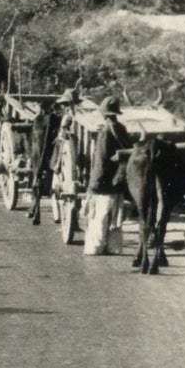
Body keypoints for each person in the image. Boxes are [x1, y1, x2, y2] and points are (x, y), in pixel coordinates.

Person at [82, 97, 126, 256]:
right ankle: (114, 248)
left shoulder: (105, 132)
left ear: (104, 114)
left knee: (100, 217)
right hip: (119, 182)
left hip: (104, 184)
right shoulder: (121, 128)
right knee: (115, 218)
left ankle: (96, 248)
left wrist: (93, 185)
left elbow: (99, 161)